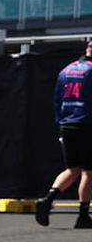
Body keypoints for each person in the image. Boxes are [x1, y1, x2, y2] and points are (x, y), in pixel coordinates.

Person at [36, 40, 92, 228]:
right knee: (88, 171)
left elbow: (56, 101)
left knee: (73, 168)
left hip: (67, 124)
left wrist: (62, 121)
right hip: (87, 124)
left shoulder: (66, 70)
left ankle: (47, 199)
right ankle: (83, 216)